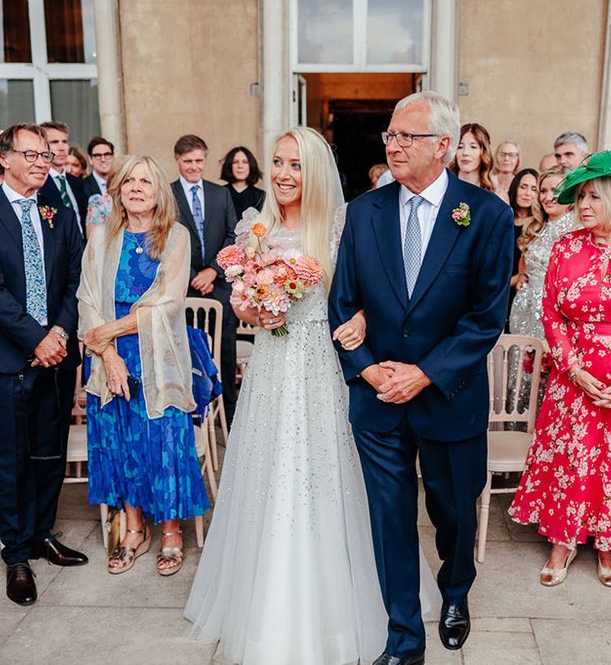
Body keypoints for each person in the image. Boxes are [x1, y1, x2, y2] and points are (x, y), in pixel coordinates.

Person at [186, 127, 424, 664]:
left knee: (325, 471)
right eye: (277, 162)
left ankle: (344, 596)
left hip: (321, 361)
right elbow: (240, 300)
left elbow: (370, 294)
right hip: (272, 364)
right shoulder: (256, 225)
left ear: (314, 171)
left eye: (295, 164)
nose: (284, 173)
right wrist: (254, 309)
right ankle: (262, 595)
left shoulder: (341, 226)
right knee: (267, 469)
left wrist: (360, 318)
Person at [329, 91, 515, 664]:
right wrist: (368, 370)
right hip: (379, 399)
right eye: (390, 135)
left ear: (442, 145)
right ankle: (403, 637)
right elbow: (342, 305)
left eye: (406, 136)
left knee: (454, 511)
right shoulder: (364, 212)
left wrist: (424, 374)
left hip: (448, 397)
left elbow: (486, 317)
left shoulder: (485, 214)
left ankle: (456, 589)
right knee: (389, 519)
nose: (393, 144)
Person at [510, 145, 611, 587]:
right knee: (572, 456)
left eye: (593, 197)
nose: (582, 206)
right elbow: (551, 314)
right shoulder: (566, 245)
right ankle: (562, 541)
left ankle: (608, 543)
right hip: (575, 371)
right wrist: (572, 367)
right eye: (580, 197)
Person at [78, 155, 209, 576]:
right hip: (109, 359)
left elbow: (168, 304)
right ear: (118, 190)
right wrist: (108, 353)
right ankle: (135, 528)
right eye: (129, 181)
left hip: (158, 356)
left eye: (146, 182)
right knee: (120, 441)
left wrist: (105, 333)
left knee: (164, 442)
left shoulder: (176, 236)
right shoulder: (100, 236)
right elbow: (86, 299)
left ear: (158, 193)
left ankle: (170, 530)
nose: (136, 187)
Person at [0, 123, 86, 606]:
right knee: (12, 458)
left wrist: (58, 333)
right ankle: (15, 553)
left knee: (50, 451)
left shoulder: (53, 208)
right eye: (29, 154)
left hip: (55, 354)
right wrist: (36, 337)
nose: (41, 162)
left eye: (45, 155)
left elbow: (77, 274)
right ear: (4, 159)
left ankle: (41, 534)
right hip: (11, 357)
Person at [171, 134, 238, 425]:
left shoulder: (220, 194)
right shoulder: (167, 193)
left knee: (224, 350)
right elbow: (163, 241)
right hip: (182, 287)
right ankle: (192, 412)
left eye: (199, 161)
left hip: (219, 286)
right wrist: (192, 276)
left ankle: (230, 414)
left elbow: (233, 235)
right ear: (177, 161)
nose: (194, 167)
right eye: (188, 162)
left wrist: (213, 270)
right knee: (187, 351)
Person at [508, 165, 577, 339]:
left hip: (555, 312)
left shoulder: (577, 230)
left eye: (555, 190)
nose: (547, 197)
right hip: (525, 307)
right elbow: (525, 260)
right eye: (543, 191)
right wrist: (523, 277)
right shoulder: (534, 226)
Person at [39, 121, 87, 236]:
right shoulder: (38, 184)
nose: (61, 148)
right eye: (54, 142)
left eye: (64, 142)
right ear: (42, 146)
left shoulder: (77, 183)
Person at [508, 168, 538, 294]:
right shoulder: (504, 217)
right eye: (523, 187)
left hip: (521, 290)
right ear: (515, 188)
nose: (527, 193)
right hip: (496, 286)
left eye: (533, 189)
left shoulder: (538, 225)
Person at [220, 145, 265, 221]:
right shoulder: (220, 194)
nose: (240, 166)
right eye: (235, 162)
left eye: (245, 162)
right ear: (230, 165)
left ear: (251, 165)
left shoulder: (261, 196)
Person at [451, 122, 496, 193]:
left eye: (473, 147)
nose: (465, 153)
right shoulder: (442, 189)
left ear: (484, 151)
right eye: (460, 147)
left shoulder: (496, 196)